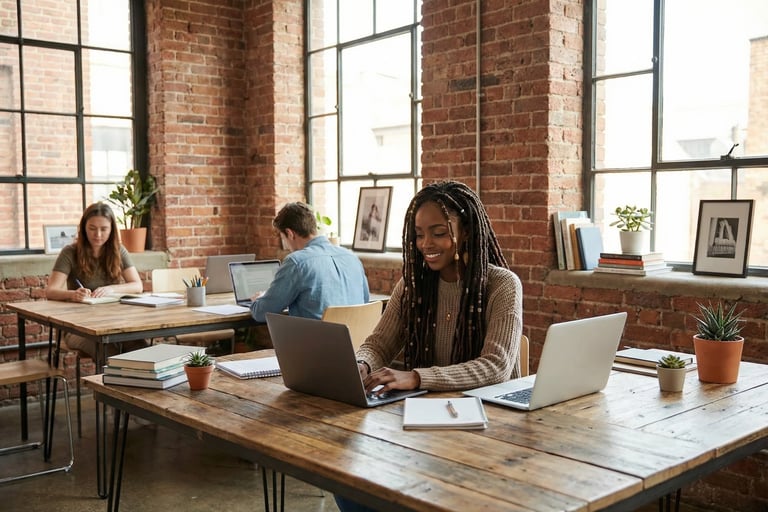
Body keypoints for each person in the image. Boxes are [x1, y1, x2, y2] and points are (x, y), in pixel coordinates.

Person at [334, 181, 523, 512]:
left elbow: (496, 365)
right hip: (423, 422)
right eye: (419, 234)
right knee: (347, 479)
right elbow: (379, 343)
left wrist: (417, 377)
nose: (425, 244)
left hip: (487, 429)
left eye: (437, 232)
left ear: (465, 231)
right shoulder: (413, 285)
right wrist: (361, 364)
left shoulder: (501, 285)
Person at [45, 202, 146, 360]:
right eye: (92, 228)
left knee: (141, 348)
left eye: (103, 229)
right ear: (84, 227)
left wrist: (112, 289)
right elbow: (51, 291)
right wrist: (73, 294)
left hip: (113, 323)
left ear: (112, 229)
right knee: (109, 352)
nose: (97, 234)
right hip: (77, 327)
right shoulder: (70, 253)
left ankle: (131, 385)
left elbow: (137, 286)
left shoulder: (119, 251)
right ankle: (110, 385)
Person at [250, 202, 370, 322]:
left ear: (290, 234)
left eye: (283, 238)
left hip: (316, 339)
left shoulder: (297, 262)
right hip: (356, 339)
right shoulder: (351, 257)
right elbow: (365, 301)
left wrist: (259, 300)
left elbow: (261, 313)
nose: (286, 246)